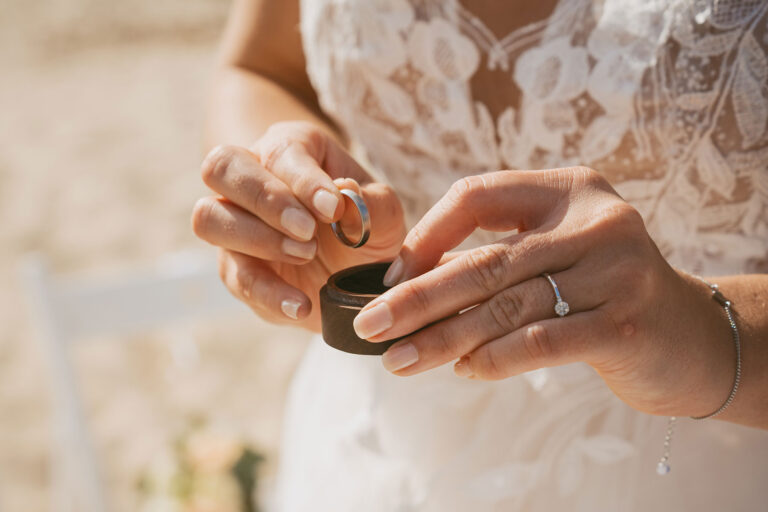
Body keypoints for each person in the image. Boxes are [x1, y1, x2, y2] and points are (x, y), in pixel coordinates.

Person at [191, 0, 768, 510]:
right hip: (379, 444)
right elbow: (262, 68)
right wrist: (291, 191)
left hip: (702, 451)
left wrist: (712, 333)